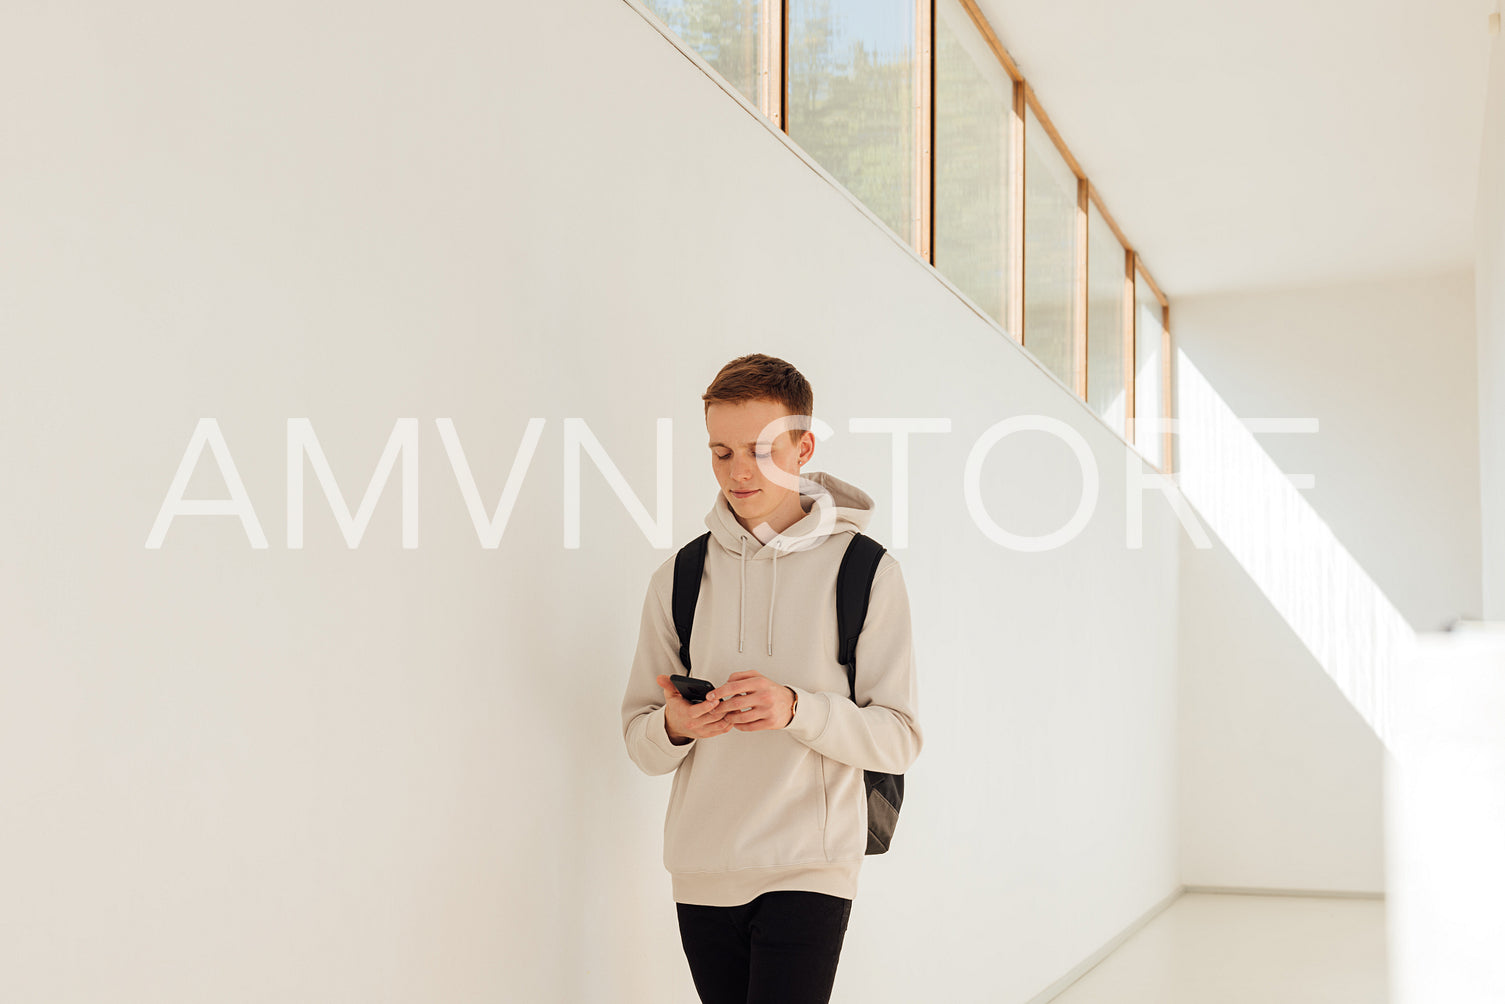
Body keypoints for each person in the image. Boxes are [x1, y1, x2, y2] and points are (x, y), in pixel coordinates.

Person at [620, 353, 924, 1004]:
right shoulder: (677, 578)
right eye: (720, 451)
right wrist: (676, 724)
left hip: (810, 864)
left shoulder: (865, 571)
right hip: (702, 864)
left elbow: (898, 738)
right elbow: (639, 738)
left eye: (760, 449)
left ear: (802, 446)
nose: (737, 471)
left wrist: (795, 709)